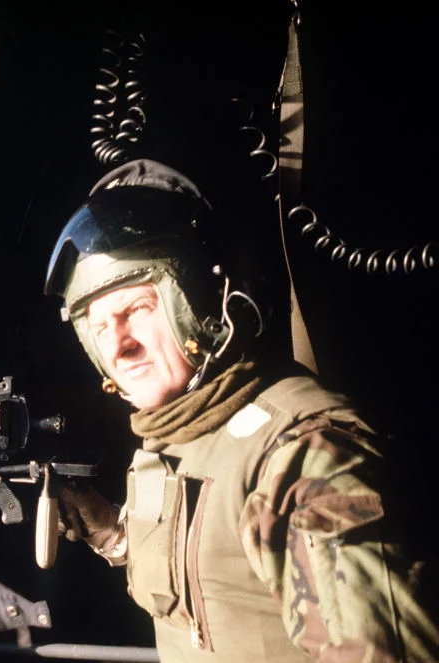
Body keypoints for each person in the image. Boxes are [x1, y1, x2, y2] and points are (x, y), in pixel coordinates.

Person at [43, 158, 438, 661]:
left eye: (137, 309)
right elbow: (209, 572)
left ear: (203, 301)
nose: (119, 346)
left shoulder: (303, 460)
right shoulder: (176, 439)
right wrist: (110, 533)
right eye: (98, 327)